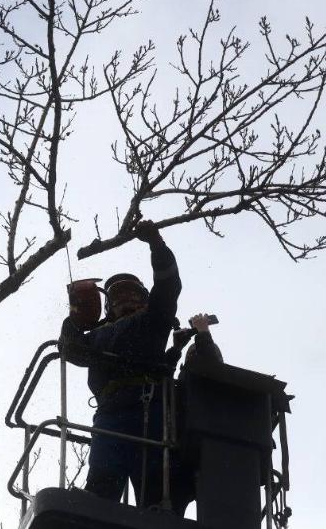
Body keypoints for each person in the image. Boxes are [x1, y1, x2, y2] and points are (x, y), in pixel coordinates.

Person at [60, 220, 182, 508]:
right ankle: (96, 508)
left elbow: (168, 285)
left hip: (148, 408)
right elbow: (72, 352)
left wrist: (156, 243)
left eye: (132, 294)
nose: (125, 300)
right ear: (108, 306)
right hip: (110, 411)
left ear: (144, 300)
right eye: (117, 296)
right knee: (103, 478)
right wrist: (75, 317)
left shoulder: (153, 320)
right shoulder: (99, 335)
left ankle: (157, 508)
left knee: (154, 481)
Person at [171, 313, 223, 516]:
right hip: (185, 452)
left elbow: (211, 365)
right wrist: (177, 347)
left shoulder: (216, 381)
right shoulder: (180, 385)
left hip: (204, 451)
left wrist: (202, 334)